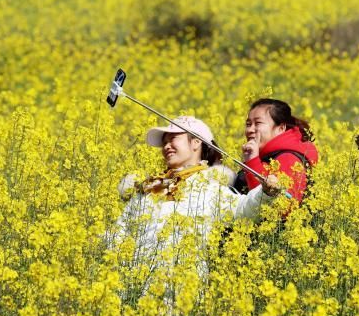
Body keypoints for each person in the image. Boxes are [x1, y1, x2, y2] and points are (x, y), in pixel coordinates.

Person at [116, 116, 284, 272]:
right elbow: (121, 231)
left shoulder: (209, 187)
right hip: (137, 285)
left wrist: (265, 193)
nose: (166, 146)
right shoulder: (150, 188)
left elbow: (244, 209)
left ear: (196, 142)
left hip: (184, 288)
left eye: (173, 139)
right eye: (164, 142)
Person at [233, 99, 319, 202]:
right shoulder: (267, 155)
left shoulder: (289, 159)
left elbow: (271, 206)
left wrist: (253, 161)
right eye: (248, 124)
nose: (250, 130)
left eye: (258, 123)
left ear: (281, 128)